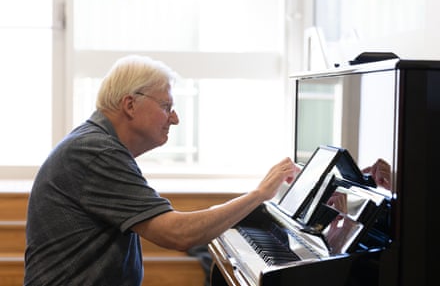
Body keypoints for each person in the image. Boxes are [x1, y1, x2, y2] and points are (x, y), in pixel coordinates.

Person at [24, 55, 300, 286]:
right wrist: (259, 194)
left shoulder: (98, 145)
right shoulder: (96, 151)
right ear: (130, 104)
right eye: (166, 106)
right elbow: (178, 234)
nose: (175, 118)